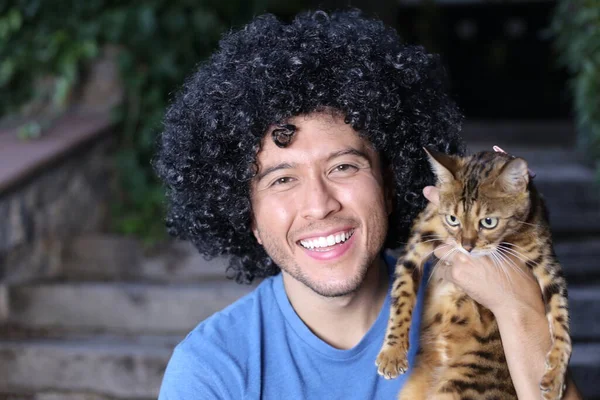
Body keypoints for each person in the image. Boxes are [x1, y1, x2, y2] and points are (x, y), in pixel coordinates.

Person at [154, 9, 582, 399]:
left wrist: (518, 306)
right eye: (283, 180)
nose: (319, 205)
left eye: (343, 167)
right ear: (247, 215)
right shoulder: (212, 370)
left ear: (390, 185)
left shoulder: (479, 304)